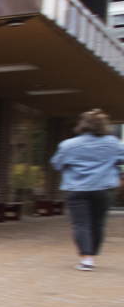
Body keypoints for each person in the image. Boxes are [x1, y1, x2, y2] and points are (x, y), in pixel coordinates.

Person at [51, 108, 124, 270]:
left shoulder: (69, 145)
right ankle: (92, 255)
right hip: (103, 189)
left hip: (76, 189)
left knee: (81, 224)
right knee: (98, 224)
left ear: (83, 124)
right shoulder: (112, 142)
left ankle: (87, 259)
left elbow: (57, 164)